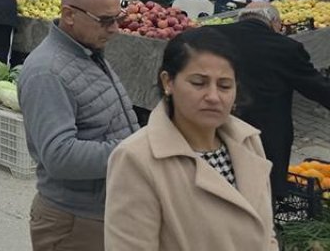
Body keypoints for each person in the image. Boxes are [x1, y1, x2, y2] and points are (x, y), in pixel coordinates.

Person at [105, 28, 277, 251]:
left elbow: (266, 232)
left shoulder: (248, 141)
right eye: (198, 83)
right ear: (168, 82)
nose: (213, 97)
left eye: (224, 85)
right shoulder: (136, 158)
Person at [19, 0, 139, 250]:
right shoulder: (46, 72)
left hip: (103, 213)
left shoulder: (87, 53)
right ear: (69, 14)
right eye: (105, 21)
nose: (115, 29)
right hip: (74, 222)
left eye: (117, 18)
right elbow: (59, 156)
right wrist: (133, 151)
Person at [214, 3, 330, 194]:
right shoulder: (285, 48)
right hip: (265, 133)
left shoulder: (210, 37)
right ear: (274, 22)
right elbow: (316, 87)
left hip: (218, 125)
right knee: (265, 190)